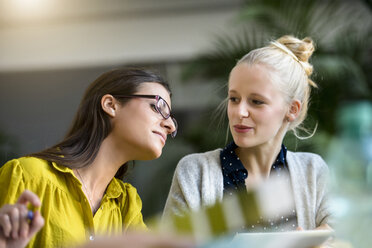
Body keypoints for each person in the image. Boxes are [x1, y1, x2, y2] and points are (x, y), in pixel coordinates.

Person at [163, 35, 332, 232]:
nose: (239, 112)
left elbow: (346, 231)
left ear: (292, 109)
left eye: (256, 101)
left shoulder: (313, 170)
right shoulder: (194, 172)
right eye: (234, 99)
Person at [0, 68, 181, 248]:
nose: (170, 125)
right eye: (158, 107)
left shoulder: (126, 203)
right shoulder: (27, 175)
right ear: (111, 105)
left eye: (171, 117)